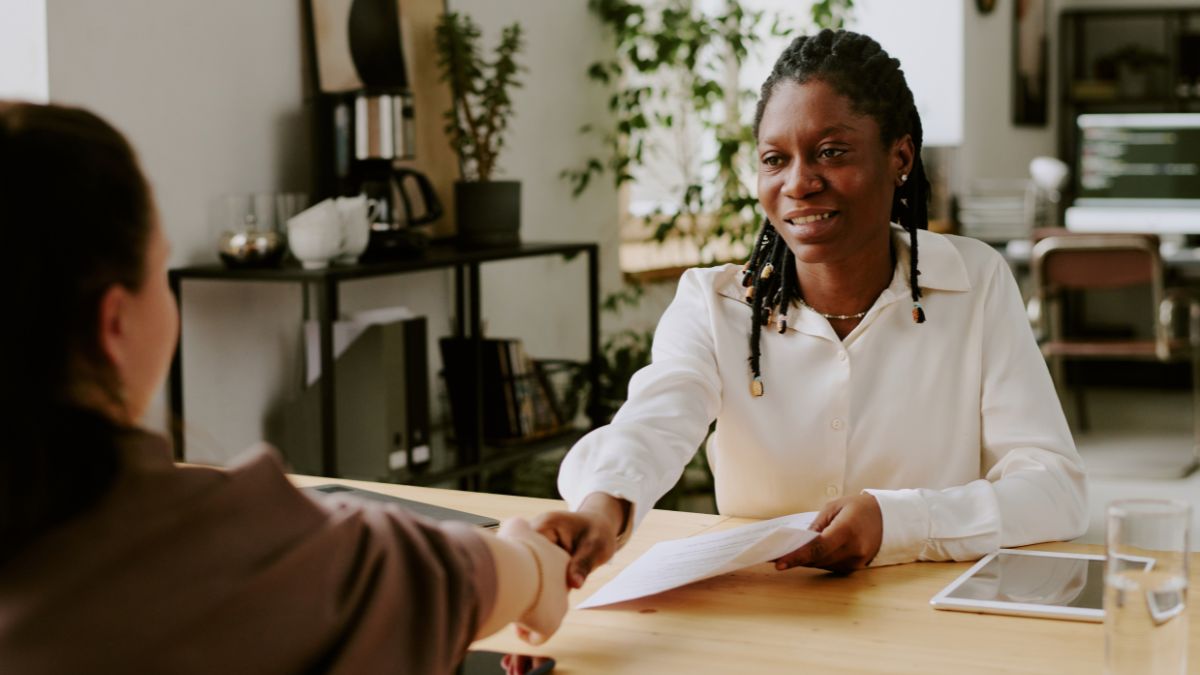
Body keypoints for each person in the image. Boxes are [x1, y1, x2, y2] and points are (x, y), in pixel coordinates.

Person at [0, 101, 569, 674]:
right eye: (160, 271)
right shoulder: (221, 559)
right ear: (115, 324)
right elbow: (442, 576)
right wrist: (533, 560)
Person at [534, 29, 1087, 585]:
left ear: (899, 157)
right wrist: (602, 509)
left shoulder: (975, 282)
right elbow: (654, 423)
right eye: (775, 159)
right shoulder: (714, 304)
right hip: (763, 607)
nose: (799, 183)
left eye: (831, 152)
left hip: (927, 606)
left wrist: (897, 521)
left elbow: (1054, 489)